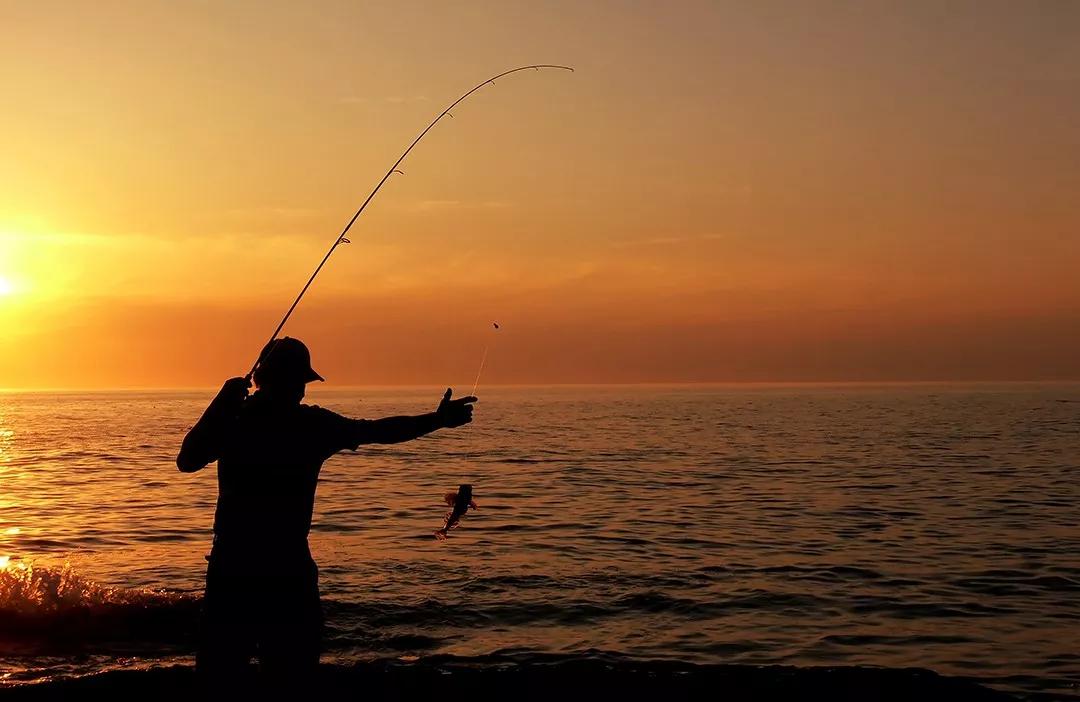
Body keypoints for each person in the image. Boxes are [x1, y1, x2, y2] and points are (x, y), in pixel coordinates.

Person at [176, 336, 475, 691]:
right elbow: (377, 431)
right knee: (289, 677)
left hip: (236, 566)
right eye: (299, 381)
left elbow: (188, 459)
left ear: (258, 377)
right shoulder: (303, 425)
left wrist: (220, 404)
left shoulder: (237, 419)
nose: (301, 391)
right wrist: (437, 420)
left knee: (222, 677)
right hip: (283, 569)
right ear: (279, 380)